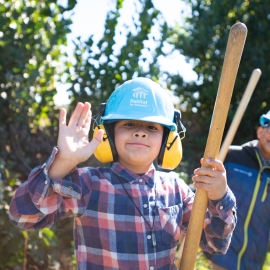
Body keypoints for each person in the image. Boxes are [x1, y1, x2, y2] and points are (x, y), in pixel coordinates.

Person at [9, 77, 236, 270]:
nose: (140, 133)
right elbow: (23, 217)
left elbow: (216, 243)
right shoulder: (88, 184)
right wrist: (62, 163)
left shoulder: (177, 190)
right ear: (108, 134)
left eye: (152, 127)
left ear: (168, 140)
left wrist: (219, 196)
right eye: (128, 124)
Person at [205, 110, 270, 270]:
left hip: (255, 256)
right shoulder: (231, 155)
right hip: (224, 249)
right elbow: (206, 188)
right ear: (260, 130)